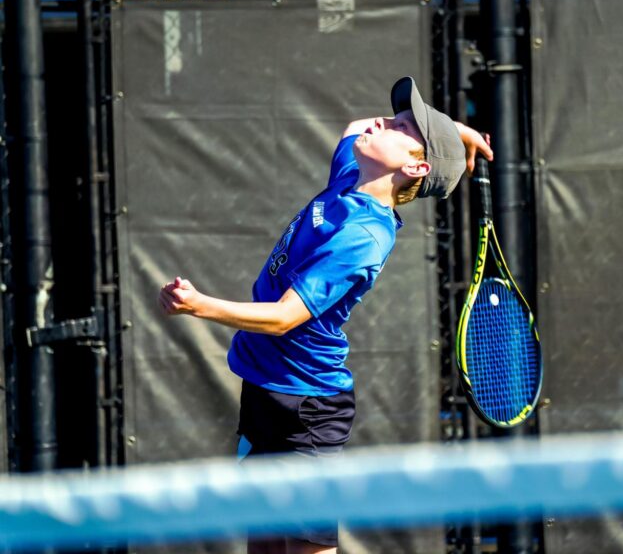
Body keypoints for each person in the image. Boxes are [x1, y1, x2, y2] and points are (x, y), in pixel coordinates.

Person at [158, 76, 493, 554]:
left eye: (401, 127)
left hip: (307, 412)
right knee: (264, 543)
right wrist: (453, 130)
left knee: (308, 549)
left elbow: (282, 318)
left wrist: (199, 305)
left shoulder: (362, 237)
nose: (381, 122)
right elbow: (356, 127)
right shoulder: (351, 180)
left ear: (416, 166)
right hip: (264, 391)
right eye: (395, 117)